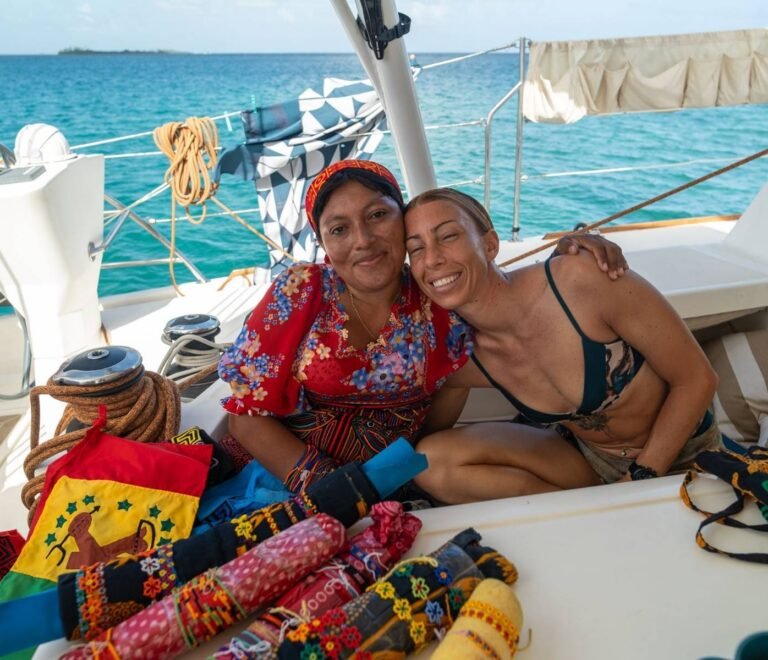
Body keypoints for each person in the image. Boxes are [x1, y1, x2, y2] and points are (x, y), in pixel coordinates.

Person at [218, 160, 628, 494]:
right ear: (324, 243)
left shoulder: (439, 297)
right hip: (281, 476)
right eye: (339, 229)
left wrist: (568, 258)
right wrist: (327, 488)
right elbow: (246, 416)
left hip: (394, 479)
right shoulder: (299, 290)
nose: (362, 240)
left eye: (378, 215)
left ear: (403, 220)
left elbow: (500, 287)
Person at [403, 188, 722, 504]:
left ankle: (607, 508)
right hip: (590, 462)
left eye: (448, 237)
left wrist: (638, 481)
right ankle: (587, 517)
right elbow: (422, 437)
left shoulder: (579, 279)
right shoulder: (461, 357)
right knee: (429, 460)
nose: (432, 259)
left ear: (490, 245)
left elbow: (697, 378)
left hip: (684, 452)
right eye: (416, 249)